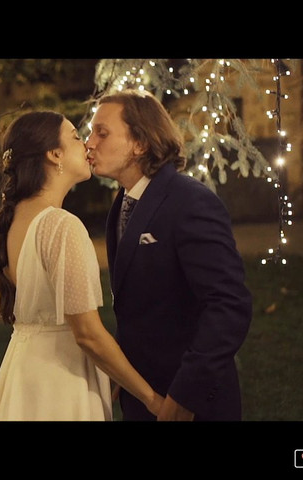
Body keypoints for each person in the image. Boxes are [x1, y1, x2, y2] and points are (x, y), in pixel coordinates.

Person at [85, 88, 253, 421]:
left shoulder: (189, 201)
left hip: (190, 403)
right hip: (142, 395)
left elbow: (229, 306)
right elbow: (139, 302)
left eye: (101, 132)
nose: (89, 142)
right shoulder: (122, 204)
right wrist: (123, 371)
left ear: (140, 143)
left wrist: (183, 396)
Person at [0, 110, 163, 421]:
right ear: (55, 155)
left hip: (22, 377)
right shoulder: (61, 226)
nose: (87, 146)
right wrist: (152, 400)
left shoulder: (3, 227)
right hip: (61, 384)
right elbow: (88, 335)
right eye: (76, 138)